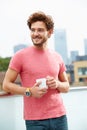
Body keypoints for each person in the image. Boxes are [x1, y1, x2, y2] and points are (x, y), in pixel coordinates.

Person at [3, 11, 70, 130]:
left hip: (60, 117)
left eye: (40, 30)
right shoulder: (20, 56)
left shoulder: (57, 57)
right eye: (33, 30)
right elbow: (6, 85)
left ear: (49, 32)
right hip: (35, 121)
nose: (35, 34)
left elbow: (66, 86)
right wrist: (29, 91)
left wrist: (57, 84)